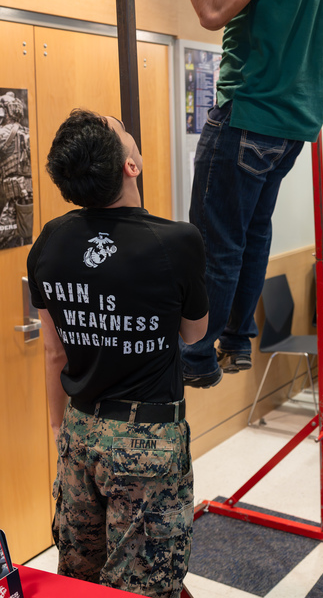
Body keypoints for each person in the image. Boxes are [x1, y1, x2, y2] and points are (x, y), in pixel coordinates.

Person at [27, 109, 209, 596]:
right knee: (145, 585)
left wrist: (59, 428)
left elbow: (53, 352)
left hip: (79, 432)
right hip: (146, 442)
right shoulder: (178, 241)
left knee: (81, 579)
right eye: (124, 131)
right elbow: (193, 334)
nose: (128, 131)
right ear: (132, 166)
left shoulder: (50, 240)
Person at [176, 0, 323, 386]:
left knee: (214, 245)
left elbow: (212, 8)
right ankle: (237, 339)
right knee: (250, 236)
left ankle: (195, 358)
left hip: (248, 116)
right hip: (290, 128)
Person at [0, 90, 33, 249]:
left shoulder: (2, 134)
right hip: (27, 199)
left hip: (11, 201)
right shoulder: (27, 132)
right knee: (25, 238)